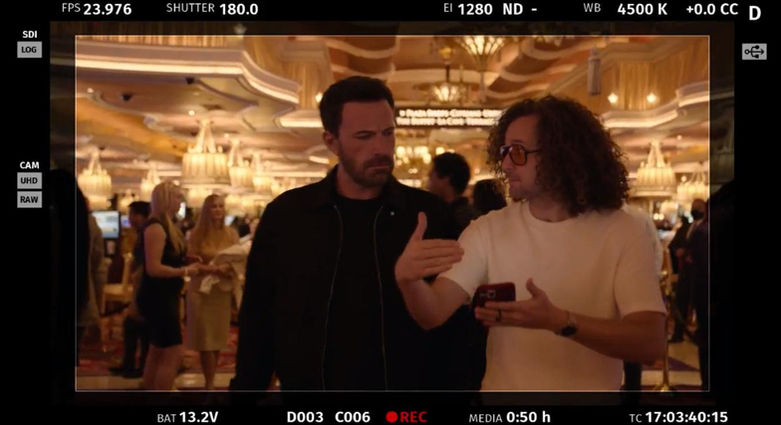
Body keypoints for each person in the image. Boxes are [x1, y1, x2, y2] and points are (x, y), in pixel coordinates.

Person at [394, 96, 666, 390]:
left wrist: (560, 321)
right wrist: (409, 280)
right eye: (504, 152)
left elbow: (650, 342)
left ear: (561, 155)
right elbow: (433, 313)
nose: (506, 164)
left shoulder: (623, 230)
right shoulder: (488, 229)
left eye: (518, 152)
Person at [231, 76, 459, 391]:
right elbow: (258, 320)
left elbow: (457, 323)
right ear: (331, 141)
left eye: (388, 133)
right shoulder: (288, 216)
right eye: (364, 136)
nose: (380, 148)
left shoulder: (428, 215)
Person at [137, 181, 205, 390]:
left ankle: (150, 391)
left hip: (165, 295)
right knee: (173, 352)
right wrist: (185, 271)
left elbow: (166, 257)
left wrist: (184, 259)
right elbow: (153, 268)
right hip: (157, 297)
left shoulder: (167, 225)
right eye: (177, 197)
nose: (180, 201)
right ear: (166, 199)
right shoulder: (156, 227)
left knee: (158, 349)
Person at [185, 194, 240, 390]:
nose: (218, 210)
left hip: (221, 292)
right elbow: (192, 263)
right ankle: (209, 384)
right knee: (205, 340)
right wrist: (214, 268)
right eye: (213, 206)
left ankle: (211, 380)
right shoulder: (196, 234)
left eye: (221, 206)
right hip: (201, 291)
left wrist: (228, 268)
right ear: (206, 210)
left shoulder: (231, 233)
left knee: (217, 340)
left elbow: (238, 261)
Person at [109, 201, 151, 378]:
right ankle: (131, 364)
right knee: (133, 326)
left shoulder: (147, 234)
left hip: (146, 288)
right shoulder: (141, 234)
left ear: (142, 216)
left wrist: (136, 292)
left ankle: (140, 367)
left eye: (133, 215)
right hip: (142, 286)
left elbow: (143, 266)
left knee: (139, 327)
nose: (130, 219)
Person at [668, 199, 706, 343]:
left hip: (700, 272)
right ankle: (678, 334)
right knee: (680, 301)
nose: (695, 210)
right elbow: (673, 244)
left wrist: (691, 254)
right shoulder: (686, 227)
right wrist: (677, 250)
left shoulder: (706, 227)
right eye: (693, 207)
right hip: (685, 271)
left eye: (698, 207)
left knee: (699, 304)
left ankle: (700, 334)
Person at [427, 152, 478, 235]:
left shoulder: (451, 218)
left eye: (433, 172)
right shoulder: (469, 213)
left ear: (446, 178)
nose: (429, 175)